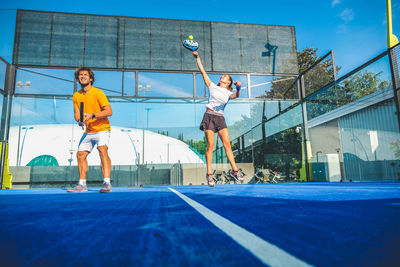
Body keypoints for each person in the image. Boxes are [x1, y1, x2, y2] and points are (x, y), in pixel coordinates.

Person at [192, 51, 245, 187]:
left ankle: (234, 171)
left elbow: (236, 96)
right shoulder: (212, 86)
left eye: (225, 77)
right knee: (210, 146)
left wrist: (239, 88)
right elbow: (203, 71)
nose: (223, 76)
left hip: (220, 118)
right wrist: (197, 57)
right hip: (209, 116)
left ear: (228, 83)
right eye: (223, 76)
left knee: (227, 145)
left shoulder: (229, 93)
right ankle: (209, 174)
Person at [67, 67, 113, 193]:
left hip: (102, 129)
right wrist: (80, 120)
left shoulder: (98, 93)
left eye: (85, 75)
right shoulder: (76, 95)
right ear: (78, 78)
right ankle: (82, 185)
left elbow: (109, 111)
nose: (82, 76)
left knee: (102, 150)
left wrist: (93, 115)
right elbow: (77, 114)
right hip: (89, 131)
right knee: (80, 154)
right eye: (80, 75)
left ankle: (107, 183)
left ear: (91, 78)